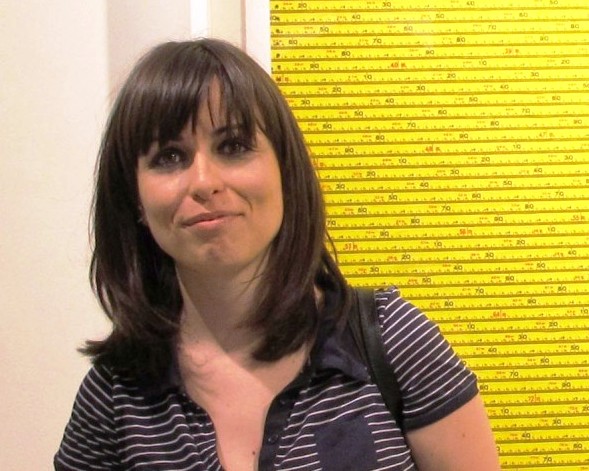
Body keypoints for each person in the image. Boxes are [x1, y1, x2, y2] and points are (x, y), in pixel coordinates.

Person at [54, 38, 500, 471]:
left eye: (233, 146)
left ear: (285, 170)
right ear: (134, 199)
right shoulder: (114, 397)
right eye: (169, 157)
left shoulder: (394, 340)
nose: (204, 182)